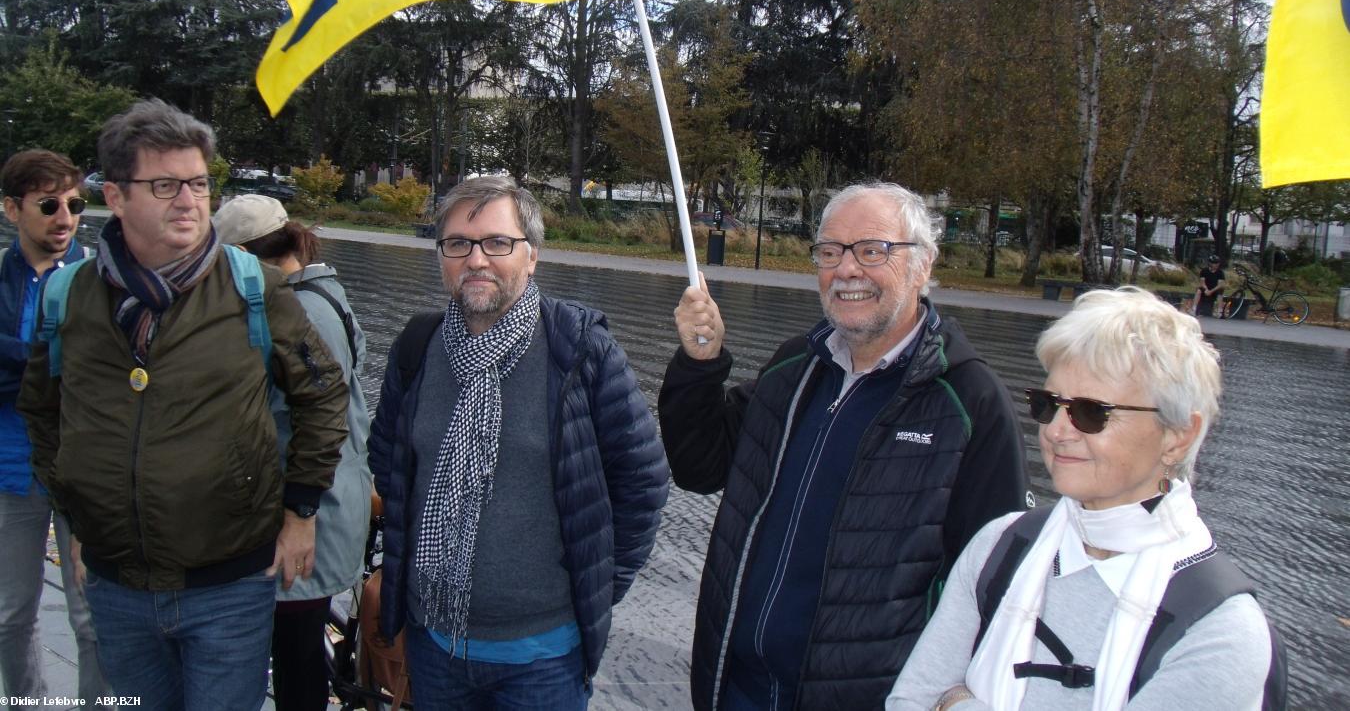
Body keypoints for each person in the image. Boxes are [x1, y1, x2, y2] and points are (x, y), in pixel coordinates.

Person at [17, 100, 350, 710]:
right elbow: (43, 409)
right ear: (115, 197)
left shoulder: (255, 288)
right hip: (118, 585)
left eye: (198, 183)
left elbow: (324, 397)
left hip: (229, 582)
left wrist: (301, 509)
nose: (189, 201)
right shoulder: (71, 298)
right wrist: (76, 511)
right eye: (165, 185)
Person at [660, 181, 1031, 711]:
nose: (847, 269)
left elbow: (995, 580)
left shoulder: (968, 402)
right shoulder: (795, 368)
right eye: (830, 252)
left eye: (873, 250)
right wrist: (701, 365)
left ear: (923, 265)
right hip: (736, 688)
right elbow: (699, 467)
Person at [886, 287, 1280, 711]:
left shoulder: (1219, 630)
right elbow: (908, 701)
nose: (1056, 430)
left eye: (1091, 411)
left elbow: (930, 698)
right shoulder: (999, 547)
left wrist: (955, 702)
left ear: (1178, 435)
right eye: (1048, 404)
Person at [368, 175, 669, 709]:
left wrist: (598, 587)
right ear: (441, 255)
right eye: (458, 244)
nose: (476, 259)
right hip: (434, 644)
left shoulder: (581, 352)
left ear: (532, 257)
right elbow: (388, 462)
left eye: (498, 243)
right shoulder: (416, 348)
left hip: (544, 658)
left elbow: (642, 482)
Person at [214, 194, 371, 711]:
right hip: (327, 500)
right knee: (295, 646)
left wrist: (299, 511)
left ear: (248, 259)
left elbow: (313, 420)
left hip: (312, 513)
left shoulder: (302, 311)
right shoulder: (322, 292)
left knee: (297, 654)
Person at [0, 150, 106, 704]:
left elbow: (98, 373)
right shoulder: (1, 274)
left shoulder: (97, 277)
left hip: (82, 471)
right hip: (11, 467)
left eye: (74, 203)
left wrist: (20, 361)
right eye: (48, 204)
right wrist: (45, 358)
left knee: (91, 618)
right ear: (12, 209)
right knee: (10, 615)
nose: (65, 217)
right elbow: (59, 369)